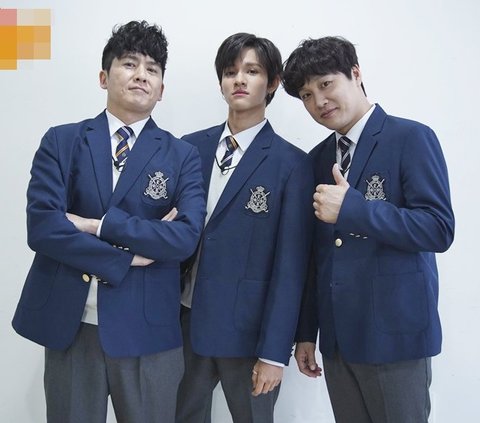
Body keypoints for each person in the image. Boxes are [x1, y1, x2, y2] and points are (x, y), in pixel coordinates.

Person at [12, 20, 206, 423]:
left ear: (161, 89)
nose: (141, 75)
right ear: (104, 77)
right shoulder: (62, 141)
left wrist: (94, 225)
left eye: (152, 69)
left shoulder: (182, 156)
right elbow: (44, 227)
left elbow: (183, 239)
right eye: (129, 64)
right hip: (72, 323)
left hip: (148, 329)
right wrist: (126, 257)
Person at [282, 36, 455, 422]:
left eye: (326, 84)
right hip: (338, 341)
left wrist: (354, 210)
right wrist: (307, 331)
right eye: (307, 95)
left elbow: (438, 228)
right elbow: (315, 256)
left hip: (395, 336)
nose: (318, 101)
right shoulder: (317, 159)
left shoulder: (410, 138)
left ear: (356, 73)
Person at [175, 33, 314, 423]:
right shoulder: (189, 148)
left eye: (252, 71)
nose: (239, 79)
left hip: (249, 335)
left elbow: (291, 267)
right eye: (230, 71)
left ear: (272, 83)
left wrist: (273, 353)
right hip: (183, 323)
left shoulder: (292, 164)